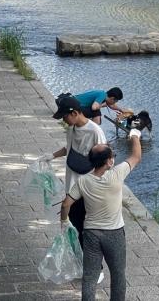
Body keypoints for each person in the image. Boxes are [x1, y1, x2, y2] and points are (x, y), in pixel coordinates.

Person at [60, 128, 142, 301]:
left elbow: (66, 203)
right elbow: (136, 156)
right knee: (118, 275)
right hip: (115, 233)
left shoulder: (83, 181)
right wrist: (135, 135)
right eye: (112, 156)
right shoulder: (116, 174)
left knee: (90, 277)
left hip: (91, 234)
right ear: (109, 162)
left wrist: (64, 221)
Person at [50, 96, 107, 259]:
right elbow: (68, 148)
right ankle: (81, 262)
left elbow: (105, 160)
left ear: (75, 113)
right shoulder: (71, 129)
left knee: (88, 231)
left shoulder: (95, 131)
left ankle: (97, 268)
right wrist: (51, 156)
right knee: (74, 227)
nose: (64, 120)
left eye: (65, 116)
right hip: (72, 187)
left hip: (88, 189)